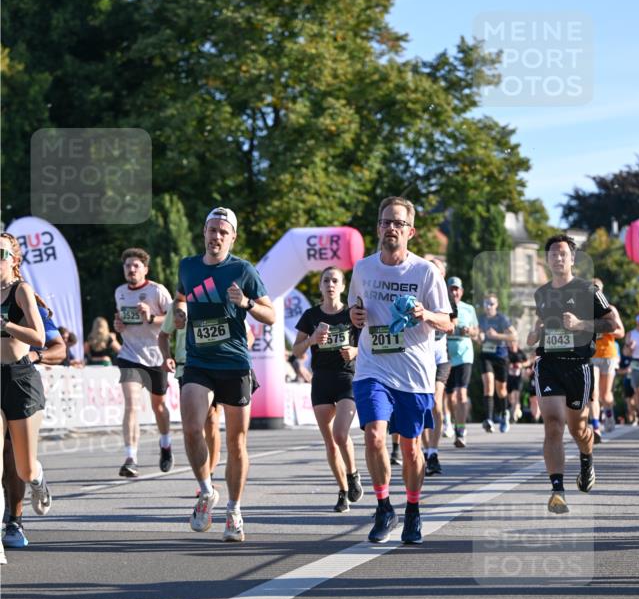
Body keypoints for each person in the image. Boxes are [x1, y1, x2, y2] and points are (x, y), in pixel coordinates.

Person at [349, 196, 452, 545]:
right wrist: (355, 316)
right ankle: (383, 507)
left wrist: (427, 315)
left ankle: (412, 509)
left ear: (411, 231)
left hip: (413, 372)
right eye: (385, 222)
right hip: (372, 366)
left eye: (398, 223)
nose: (390, 228)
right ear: (378, 227)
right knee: (375, 435)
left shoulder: (425, 271)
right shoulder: (362, 269)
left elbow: (448, 322)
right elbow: (355, 308)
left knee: (410, 448)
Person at [171, 206, 275, 540]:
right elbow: (181, 298)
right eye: (211, 229)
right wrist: (180, 312)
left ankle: (234, 510)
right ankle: (205, 491)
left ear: (232, 236)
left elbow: (270, 315)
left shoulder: (243, 270)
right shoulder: (188, 266)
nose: (216, 236)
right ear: (203, 233)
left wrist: (246, 303)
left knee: (236, 441)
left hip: (233, 364)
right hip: (199, 362)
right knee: (190, 428)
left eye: (222, 231)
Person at [527, 234, 620, 515]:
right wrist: (535, 333)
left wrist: (581, 323)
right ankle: (557, 490)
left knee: (579, 430)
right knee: (553, 424)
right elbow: (539, 325)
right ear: (547, 259)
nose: (558, 258)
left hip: (578, 366)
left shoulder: (588, 290)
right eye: (553, 254)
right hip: (549, 364)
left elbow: (612, 323)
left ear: (572, 258)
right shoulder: (541, 293)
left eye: (563, 254)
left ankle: (587, 458)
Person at [292, 266, 363, 512]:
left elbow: (370, 344)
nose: (330, 284)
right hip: (321, 380)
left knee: (340, 434)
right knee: (330, 443)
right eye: (326, 280)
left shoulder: (352, 314)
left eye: (335, 280)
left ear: (343, 286)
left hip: (347, 377)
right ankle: (343, 491)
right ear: (320, 286)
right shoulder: (311, 316)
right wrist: (311, 340)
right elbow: (296, 350)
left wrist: (355, 351)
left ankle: (353, 474)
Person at [0, 233, 51, 565]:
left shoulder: (21, 291)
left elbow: (40, 337)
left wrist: (6, 324)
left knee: (24, 466)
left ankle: (39, 479)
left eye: (0, 253)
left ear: (13, 259)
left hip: (20, 379)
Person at [2, 300, 66, 549]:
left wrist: (35, 355)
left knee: (16, 460)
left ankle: (16, 518)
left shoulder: (29, 307)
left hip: (19, 381)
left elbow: (59, 349)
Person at [114, 247, 173, 477]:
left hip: (156, 356)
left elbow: (176, 319)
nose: (131, 269)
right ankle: (131, 458)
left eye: (135, 266)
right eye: (127, 266)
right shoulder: (119, 292)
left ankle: (166, 444)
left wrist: (151, 316)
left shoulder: (157, 291)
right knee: (131, 404)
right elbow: (122, 322)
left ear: (145, 269)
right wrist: (119, 325)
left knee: (158, 406)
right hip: (129, 355)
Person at [423, 256, 452, 476]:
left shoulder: (447, 298)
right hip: (419, 359)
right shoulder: (418, 292)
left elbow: (450, 325)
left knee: (435, 402)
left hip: (440, 358)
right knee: (422, 407)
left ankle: (433, 451)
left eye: (438, 271)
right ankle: (426, 451)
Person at [445, 277, 479, 447]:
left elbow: (476, 332)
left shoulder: (468, 308)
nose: (454, 292)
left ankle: (460, 431)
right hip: (446, 357)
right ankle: (451, 421)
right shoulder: (442, 308)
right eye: (451, 289)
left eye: (457, 289)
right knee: (450, 398)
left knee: (461, 394)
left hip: (464, 356)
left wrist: (470, 330)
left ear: (462, 291)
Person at [589, 279, 624, 439]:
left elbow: (621, 332)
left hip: (609, 355)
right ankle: (596, 426)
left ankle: (609, 412)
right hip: (592, 355)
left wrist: (606, 330)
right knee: (593, 393)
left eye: (597, 289)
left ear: (602, 290)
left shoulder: (610, 309)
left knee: (606, 395)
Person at [478, 292, 516, 433]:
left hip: (500, 356)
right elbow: (477, 334)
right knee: (488, 383)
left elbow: (514, 335)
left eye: (491, 304)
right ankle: (488, 419)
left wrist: (497, 335)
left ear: (496, 305)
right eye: (486, 304)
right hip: (485, 354)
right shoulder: (480, 319)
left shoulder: (502, 319)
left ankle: (504, 414)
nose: (489, 307)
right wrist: (479, 336)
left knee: (501, 389)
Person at [507, 340, 528, 423]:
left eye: (513, 342)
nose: (512, 344)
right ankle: (514, 410)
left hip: (518, 377)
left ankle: (514, 415)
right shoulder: (507, 352)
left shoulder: (520, 352)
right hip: (509, 377)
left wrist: (521, 365)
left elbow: (527, 361)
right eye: (510, 342)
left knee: (516, 396)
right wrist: (508, 365)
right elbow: (502, 361)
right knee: (510, 397)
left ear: (516, 343)